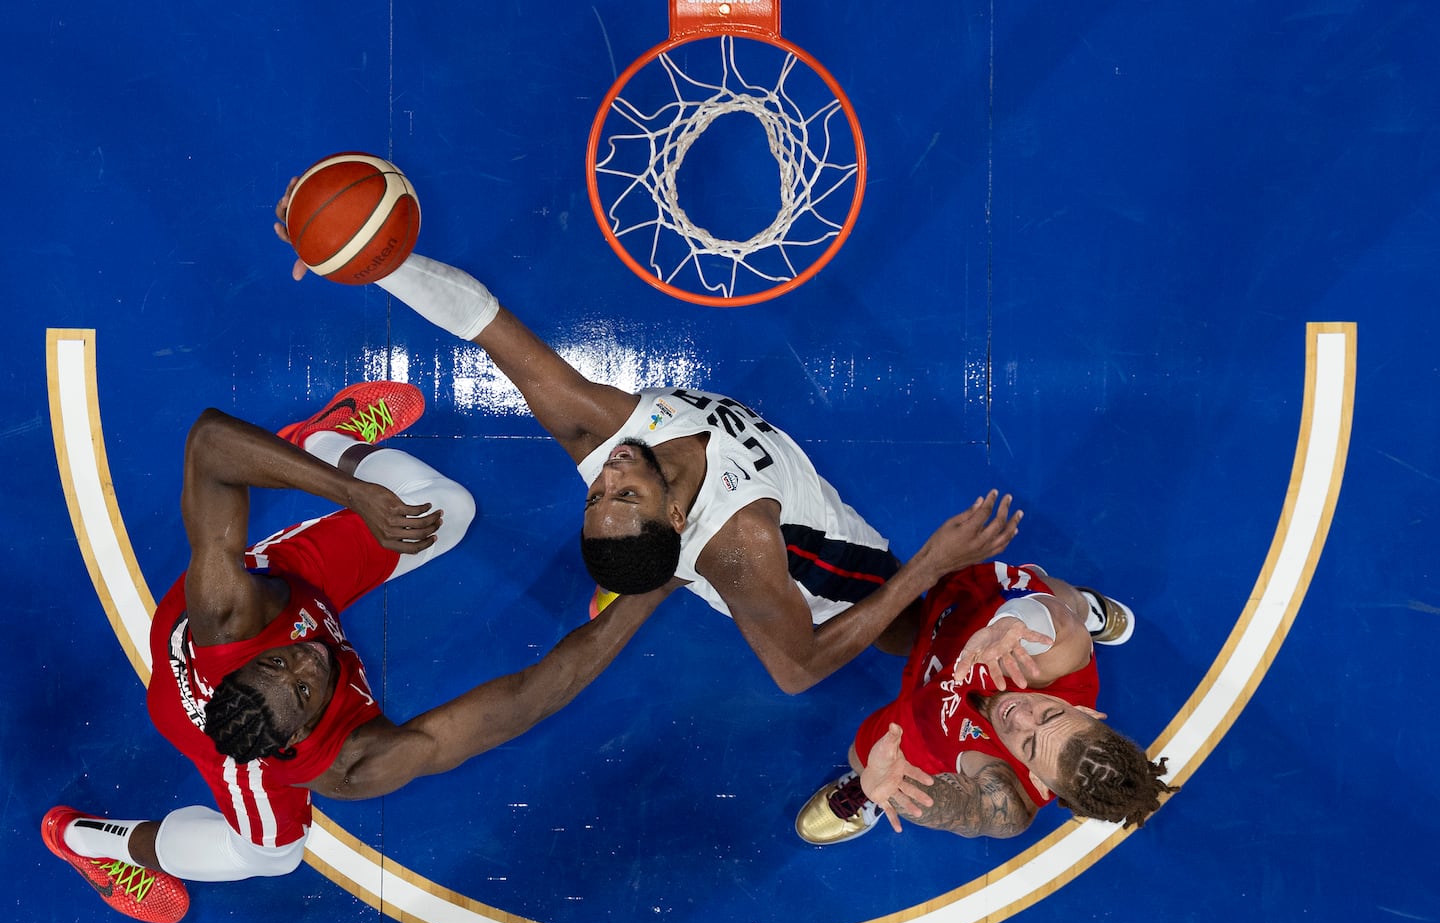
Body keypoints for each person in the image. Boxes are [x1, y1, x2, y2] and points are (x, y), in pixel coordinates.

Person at [275, 181, 1023, 695]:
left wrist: (362, 258)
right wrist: (930, 563)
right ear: (671, 516)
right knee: (919, 629)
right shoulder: (743, 547)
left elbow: (484, 326)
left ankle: (637, 571)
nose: (611, 470)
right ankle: (649, 574)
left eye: (598, 494)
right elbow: (797, 671)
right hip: (821, 577)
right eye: (621, 492)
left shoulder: (598, 433)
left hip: (696, 533)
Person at [42, 383, 679, 923]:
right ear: (299, 738)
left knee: (445, 511)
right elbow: (532, 696)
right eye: (300, 690)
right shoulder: (348, 765)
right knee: (273, 856)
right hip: (212, 724)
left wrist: (352, 493)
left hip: (285, 589)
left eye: (277, 663)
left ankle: (325, 441)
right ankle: (88, 843)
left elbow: (209, 443)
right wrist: (654, 587)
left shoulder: (228, 612)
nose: (304, 660)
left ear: (247, 658)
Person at [793, 560, 1176, 844]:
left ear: (1040, 785)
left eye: (1028, 744)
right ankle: (1090, 608)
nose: (1021, 716)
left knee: (866, 760)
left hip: (926, 706)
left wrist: (892, 790)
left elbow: (972, 811)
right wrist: (1014, 621)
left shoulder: (1011, 796)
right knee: (1060, 599)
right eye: (1049, 713)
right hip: (978, 610)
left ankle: (867, 792)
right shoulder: (1064, 665)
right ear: (1087, 710)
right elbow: (1054, 624)